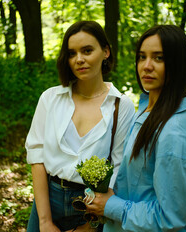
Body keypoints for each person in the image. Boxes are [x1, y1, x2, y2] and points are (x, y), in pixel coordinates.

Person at [86, 25, 186, 231]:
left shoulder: (174, 134)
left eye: (158, 58)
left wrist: (112, 206)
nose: (146, 66)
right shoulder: (147, 110)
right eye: (142, 57)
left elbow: (170, 219)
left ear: (178, 63)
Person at [25, 21, 135, 232]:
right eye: (72, 53)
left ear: (105, 52)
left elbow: (119, 170)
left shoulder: (121, 106)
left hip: (93, 207)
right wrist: (45, 221)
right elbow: (37, 158)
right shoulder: (50, 98)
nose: (79, 59)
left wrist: (90, 226)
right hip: (48, 201)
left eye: (87, 50)